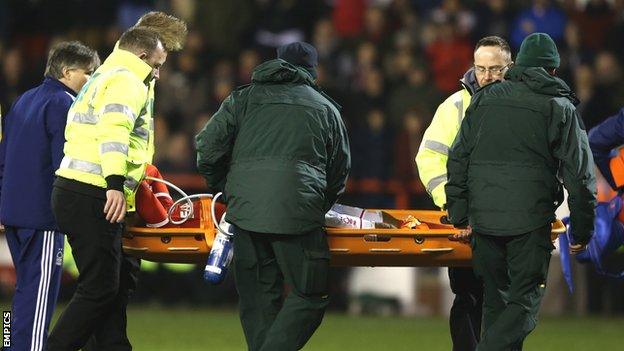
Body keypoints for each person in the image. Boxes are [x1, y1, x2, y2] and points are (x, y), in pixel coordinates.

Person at [196, 41, 350, 351]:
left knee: (258, 299)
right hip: (299, 213)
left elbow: (207, 148)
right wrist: (314, 203)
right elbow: (339, 171)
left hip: (246, 214)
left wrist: (230, 191)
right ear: (312, 71)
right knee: (311, 294)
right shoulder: (326, 109)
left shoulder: (242, 100)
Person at [446, 32, 596, 350]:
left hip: (483, 224)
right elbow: (580, 178)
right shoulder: (560, 108)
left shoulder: (484, 99)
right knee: (524, 307)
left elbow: (457, 159)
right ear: (553, 70)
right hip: (528, 225)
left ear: (517, 66)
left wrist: (460, 214)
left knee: (496, 307)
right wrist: (582, 230)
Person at [46, 27, 167, 351]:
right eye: (155, 65)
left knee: (110, 289)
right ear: (141, 56)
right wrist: (115, 185)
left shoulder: (102, 75)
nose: (156, 74)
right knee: (99, 289)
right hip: (94, 191)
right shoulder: (127, 79)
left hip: (77, 189)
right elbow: (114, 132)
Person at [0, 41, 99, 351]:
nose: (93, 80)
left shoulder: (23, 100)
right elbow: (64, 164)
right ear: (67, 72)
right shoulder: (64, 104)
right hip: (42, 215)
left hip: (15, 212)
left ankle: (8, 343)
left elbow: (4, 158)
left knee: (24, 290)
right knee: (38, 295)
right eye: (89, 73)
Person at [415, 36, 512, 351]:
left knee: (503, 299)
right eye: (481, 68)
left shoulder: (522, 105)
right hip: (467, 221)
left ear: (509, 68)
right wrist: (452, 202)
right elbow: (429, 158)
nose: (486, 76)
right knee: (469, 297)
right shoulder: (454, 106)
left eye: (495, 69)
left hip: (507, 221)